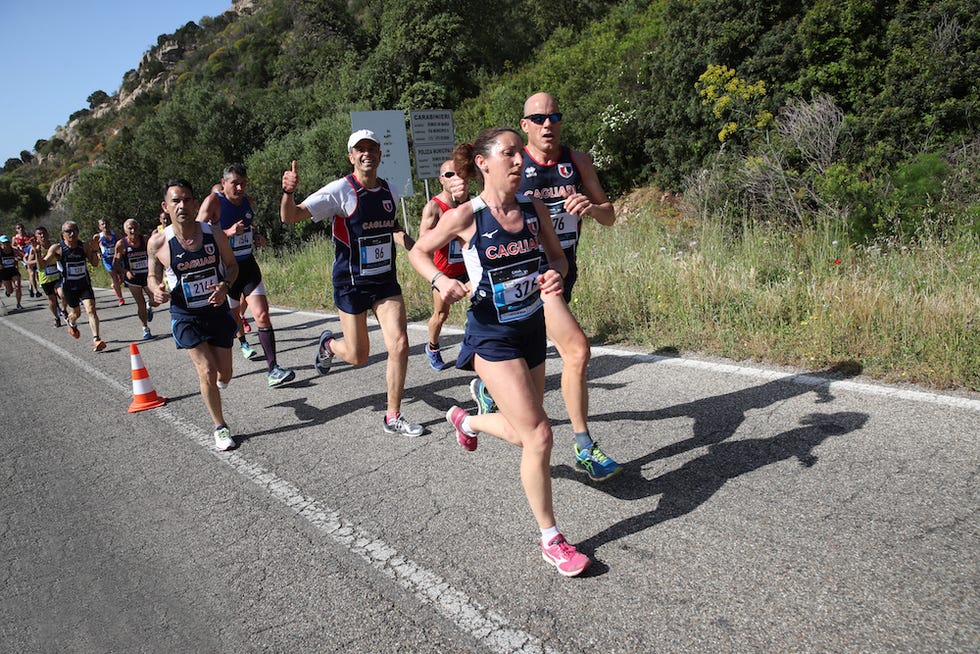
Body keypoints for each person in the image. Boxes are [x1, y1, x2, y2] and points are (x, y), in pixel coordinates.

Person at [409, 126, 591, 577]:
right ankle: (552, 539)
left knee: (522, 431)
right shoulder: (466, 216)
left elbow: (558, 258)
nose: (518, 162)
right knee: (540, 435)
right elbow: (417, 251)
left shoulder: (534, 209)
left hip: (530, 328)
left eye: (519, 155)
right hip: (490, 336)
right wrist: (440, 281)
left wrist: (553, 274)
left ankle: (465, 418)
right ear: (484, 164)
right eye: (508, 154)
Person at [470, 92, 623, 482]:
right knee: (577, 351)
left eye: (554, 116)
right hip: (533, 279)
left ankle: (492, 392)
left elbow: (610, 216)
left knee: (538, 381)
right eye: (538, 118)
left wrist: (590, 207)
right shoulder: (516, 167)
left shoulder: (578, 161)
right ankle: (584, 445)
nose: (547, 124)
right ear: (524, 126)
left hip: (561, 270)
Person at [280, 129, 423, 436]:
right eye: (360, 149)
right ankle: (329, 344)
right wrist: (288, 193)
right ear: (351, 156)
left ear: (380, 154)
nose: (367, 153)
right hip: (351, 283)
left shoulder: (390, 191)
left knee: (399, 343)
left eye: (372, 148)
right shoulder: (339, 191)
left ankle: (392, 416)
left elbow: (392, 227)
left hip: (384, 281)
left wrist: (415, 246)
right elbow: (291, 217)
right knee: (359, 356)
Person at [147, 179, 240, 451]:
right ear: (166, 206)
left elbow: (232, 266)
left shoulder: (214, 234)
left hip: (216, 310)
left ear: (195, 203)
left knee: (226, 374)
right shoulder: (159, 242)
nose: (182, 205)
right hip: (185, 314)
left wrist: (225, 285)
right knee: (207, 370)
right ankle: (220, 427)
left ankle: (217, 384)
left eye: (187, 199)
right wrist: (156, 289)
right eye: (176, 201)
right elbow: (151, 277)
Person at [197, 164, 295, 388]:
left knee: (261, 314)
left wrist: (258, 236)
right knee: (232, 321)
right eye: (235, 184)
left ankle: (273, 370)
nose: (240, 188)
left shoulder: (247, 202)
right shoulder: (213, 202)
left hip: (248, 265)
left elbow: (251, 226)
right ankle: (237, 346)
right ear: (224, 183)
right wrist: (228, 233)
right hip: (225, 271)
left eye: (243, 183)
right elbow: (196, 234)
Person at [418, 154, 472, 370]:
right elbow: (423, 244)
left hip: (468, 268)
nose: (454, 178)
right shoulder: (434, 207)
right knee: (441, 315)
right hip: (444, 272)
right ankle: (432, 346)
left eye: (458, 173)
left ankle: (477, 348)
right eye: (449, 174)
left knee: (482, 308)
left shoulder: (469, 203)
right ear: (441, 179)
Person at [36, 221, 107, 351]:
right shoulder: (57, 248)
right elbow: (42, 266)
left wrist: (95, 249)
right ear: (63, 234)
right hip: (69, 287)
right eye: (69, 231)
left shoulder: (83, 246)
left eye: (75, 230)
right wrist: (36, 253)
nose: (73, 234)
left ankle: (96, 339)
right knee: (76, 313)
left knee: (91, 309)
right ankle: (71, 321)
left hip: (84, 284)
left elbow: (95, 264)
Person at [112, 218, 156, 340]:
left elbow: (155, 254)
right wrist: (125, 272)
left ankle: (149, 305)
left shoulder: (145, 240)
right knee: (140, 304)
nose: (133, 230)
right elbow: (115, 264)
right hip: (133, 278)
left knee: (156, 300)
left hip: (147, 276)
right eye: (130, 228)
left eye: (135, 227)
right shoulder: (121, 244)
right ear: (125, 230)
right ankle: (145, 328)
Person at [27, 226, 67, 327]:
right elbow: (29, 263)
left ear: (48, 234)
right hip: (45, 278)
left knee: (63, 294)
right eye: (39, 234)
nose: (42, 235)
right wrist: (41, 260)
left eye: (44, 233)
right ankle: (56, 317)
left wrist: (56, 256)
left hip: (57, 276)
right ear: (36, 237)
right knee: (52, 300)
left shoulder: (53, 246)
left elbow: (61, 256)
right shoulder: (34, 249)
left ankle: (64, 310)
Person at [91, 219, 125, 306]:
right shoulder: (97, 237)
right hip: (107, 259)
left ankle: (114, 285)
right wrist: (98, 253)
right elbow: (94, 248)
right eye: (102, 224)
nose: (105, 226)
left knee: (122, 278)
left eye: (106, 223)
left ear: (109, 224)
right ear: (100, 227)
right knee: (114, 276)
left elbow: (123, 242)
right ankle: (121, 298)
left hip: (117, 258)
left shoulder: (115, 234)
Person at [12, 223, 40, 298]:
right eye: (18, 228)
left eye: (21, 227)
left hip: (30, 255)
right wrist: (16, 249)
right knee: (31, 272)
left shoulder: (29, 236)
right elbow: (12, 246)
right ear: (16, 230)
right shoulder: (15, 238)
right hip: (22, 257)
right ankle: (34, 290)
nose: (20, 229)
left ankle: (31, 287)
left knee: (34, 273)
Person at [0, 235, 24, 310]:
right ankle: (7, 291)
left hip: (13, 270)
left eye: (7, 242)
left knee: (18, 286)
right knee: (10, 290)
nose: (6, 244)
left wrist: (18, 258)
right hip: (4, 272)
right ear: (1, 243)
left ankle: (18, 304)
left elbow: (22, 256)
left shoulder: (13, 250)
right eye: (4, 243)